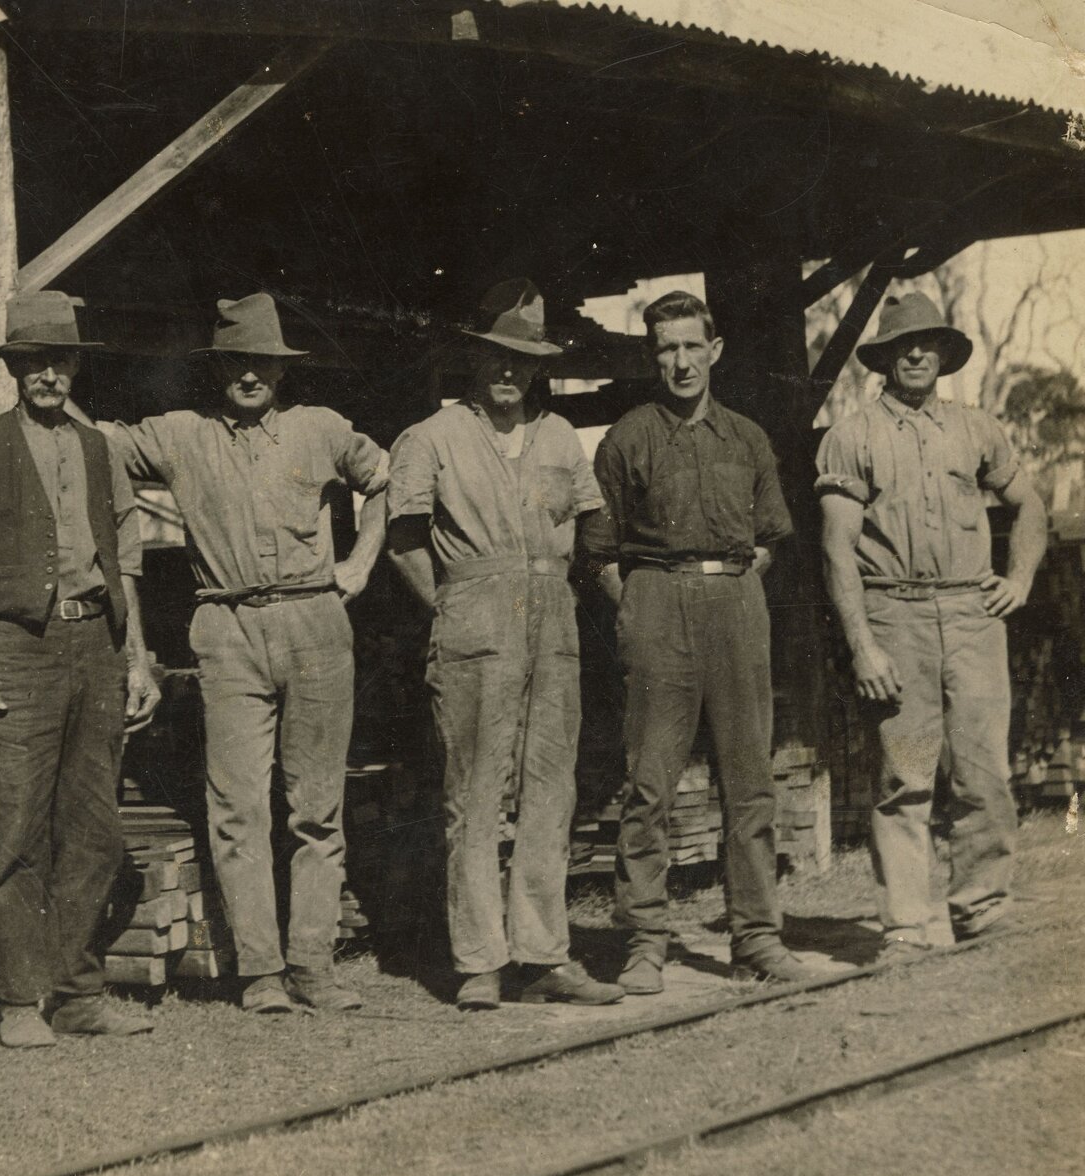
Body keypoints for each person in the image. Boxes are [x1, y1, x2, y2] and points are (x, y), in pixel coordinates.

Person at [100, 293, 386, 1015]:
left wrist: (360, 564)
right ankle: (260, 972)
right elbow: (99, 444)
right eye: (237, 361)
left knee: (317, 808)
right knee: (237, 807)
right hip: (226, 625)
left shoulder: (321, 430)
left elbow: (389, 482)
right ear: (218, 367)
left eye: (262, 362)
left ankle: (313, 964)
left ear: (281, 370)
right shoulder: (180, 435)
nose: (250, 375)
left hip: (317, 620)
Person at [0, 289, 160, 1048]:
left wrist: (139, 656)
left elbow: (125, 558)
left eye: (58, 361)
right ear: (14, 370)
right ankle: (19, 1000)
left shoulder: (98, 449)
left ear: (73, 367)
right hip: (14, 650)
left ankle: (77, 992)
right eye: (32, 363)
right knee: (16, 824)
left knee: (93, 828)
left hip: (94, 643)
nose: (47, 376)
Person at [385, 280, 624, 1010]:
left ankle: (545, 954)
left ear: (539, 368)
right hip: (473, 618)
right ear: (474, 360)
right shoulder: (429, 438)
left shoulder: (558, 439)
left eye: (522, 361)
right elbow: (403, 542)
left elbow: (593, 526)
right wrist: (454, 604)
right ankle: (481, 961)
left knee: (552, 789)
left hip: (553, 620)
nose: (508, 374)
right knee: (475, 796)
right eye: (496, 358)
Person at [583, 289, 810, 993]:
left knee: (750, 783)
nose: (680, 362)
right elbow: (599, 552)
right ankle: (646, 939)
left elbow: (770, 538)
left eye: (691, 346)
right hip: (656, 599)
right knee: (649, 782)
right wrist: (641, 610)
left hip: (736, 600)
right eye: (666, 349)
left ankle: (756, 938)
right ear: (653, 358)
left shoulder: (747, 438)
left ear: (714, 351)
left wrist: (729, 588)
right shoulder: (627, 437)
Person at [816, 292, 1044, 960]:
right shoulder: (852, 436)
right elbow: (836, 550)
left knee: (985, 773)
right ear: (884, 358)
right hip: (895, 612)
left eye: (928, 342)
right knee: (904, 778)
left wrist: (1021, 579)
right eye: (901, 345)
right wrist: (863, 645)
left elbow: (1029, 504)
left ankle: (983, 909)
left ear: (944, 353)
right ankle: (908, 926)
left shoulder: (976, 429)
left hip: (973, 614)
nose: (915, 353)